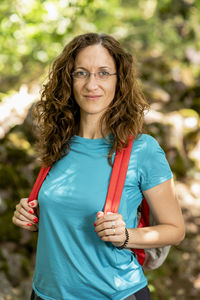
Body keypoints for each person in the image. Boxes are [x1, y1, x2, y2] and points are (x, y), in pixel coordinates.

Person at [12, 32, 185, 300]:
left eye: (104, 73)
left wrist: (126, 236)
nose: (91, 84)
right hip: (45, 294)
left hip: (115, 294)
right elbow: (63, 212)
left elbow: (175, 230)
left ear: (120, 81)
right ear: (68, 80)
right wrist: (32, 215)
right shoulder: (58, 143)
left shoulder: (142, 149)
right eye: (81, 73)